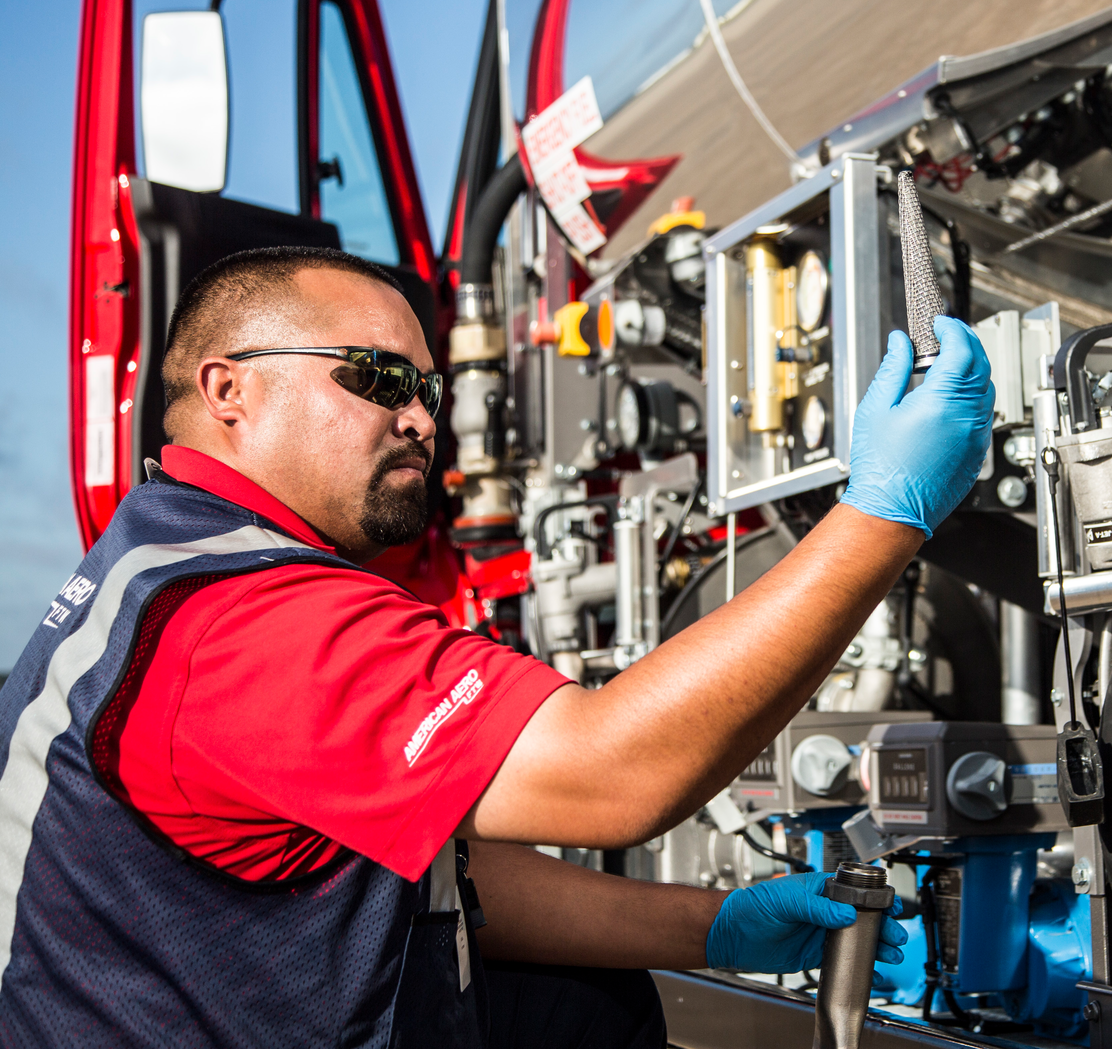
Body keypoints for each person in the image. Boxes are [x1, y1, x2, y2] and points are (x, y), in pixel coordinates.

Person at [0, 246, 994, 1047]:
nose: (422, 418)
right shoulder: (243, 621)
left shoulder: (162, 557)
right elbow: (615, 771)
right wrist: (884, 515)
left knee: (579, 1004)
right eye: (381, 376)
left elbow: (427, 868)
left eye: (430, 387)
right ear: (229, 390)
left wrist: (714, 925)